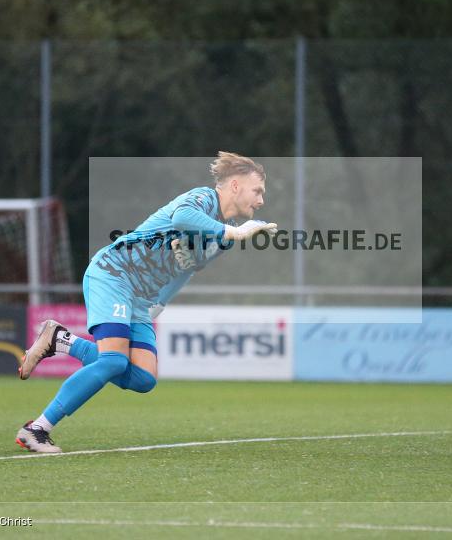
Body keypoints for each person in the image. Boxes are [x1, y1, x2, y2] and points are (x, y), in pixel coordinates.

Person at [14, 152, 277, 452]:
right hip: (114, 274)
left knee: (143, 378)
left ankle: (61, 340)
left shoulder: (225, 236)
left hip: (141, 298)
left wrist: (159, 304)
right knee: (113, 360)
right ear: (234, 185)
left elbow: (188, 267)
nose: (260, 201)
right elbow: (182, 218)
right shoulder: (203, 198)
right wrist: (235, 231)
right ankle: (37, 429)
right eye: (257, 191)